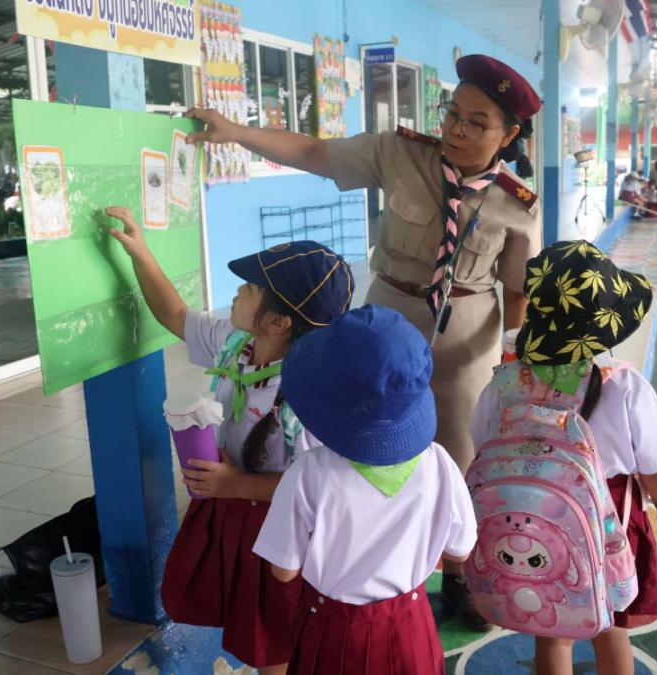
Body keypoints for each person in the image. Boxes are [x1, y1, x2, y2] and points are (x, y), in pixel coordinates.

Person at [185, 53, 543, 631]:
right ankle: (346, 553)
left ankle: (457, 573)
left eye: (476, 123)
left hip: (465, 340)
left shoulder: (517, 205)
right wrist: (238, 134)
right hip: (385, 322)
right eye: (453, 113)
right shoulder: (401, 154)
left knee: (456, 452)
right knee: (355, 439)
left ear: (508, 135)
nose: (456, 128)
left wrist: (509, 353)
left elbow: (517, 290)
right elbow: (315, 152)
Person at [106, 207, 353, 675]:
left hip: (282, 528)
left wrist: (236, 483)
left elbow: (317, 486)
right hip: (233, 509)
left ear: (277, 322)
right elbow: (174, 314)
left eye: (251, 287)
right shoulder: (236, 343)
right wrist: (140, 254)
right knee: (246, 614)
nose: (239, 289)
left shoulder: (307, 395)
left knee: (275, 636)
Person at [470, 240, 657, 675]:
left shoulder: (505, 383)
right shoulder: (622, 385)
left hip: (532, 519)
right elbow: (656, 467)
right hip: (609, 519)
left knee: (552, 629)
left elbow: (483, 444)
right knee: (611, 626)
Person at [253, 305, 477, 674]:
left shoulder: (308, 473)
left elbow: (283, 571)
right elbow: (461, 549)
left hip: (334, 632)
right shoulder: (439, 463)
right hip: (411, 629)